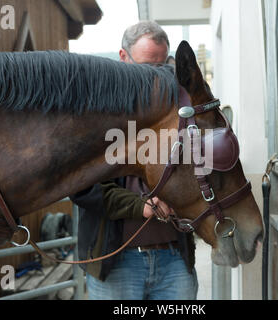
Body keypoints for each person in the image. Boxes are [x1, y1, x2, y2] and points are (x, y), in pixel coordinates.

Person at [70, 21, 198, 300]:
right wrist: (140, 207)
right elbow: (81, 187)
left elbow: (199, 171)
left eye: (162, 66)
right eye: (146, 67)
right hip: (118, 265)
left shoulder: (177, 112)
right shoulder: (94, 113)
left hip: (174, 261)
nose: (155, 76)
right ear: (123, 57)